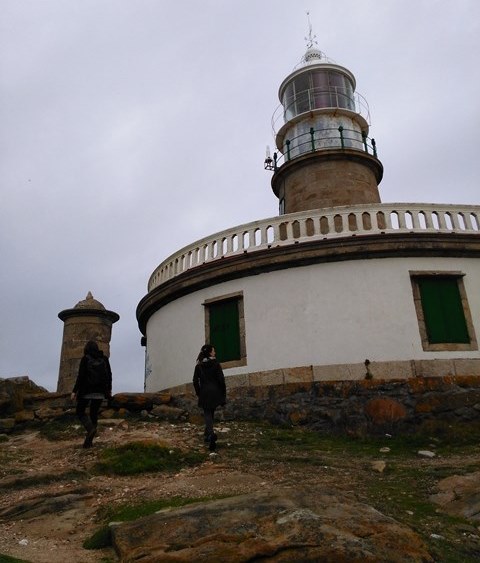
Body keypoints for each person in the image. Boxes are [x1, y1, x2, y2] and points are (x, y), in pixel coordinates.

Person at [71, 340, 112, 448]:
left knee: (80, 411)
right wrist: (109, 389)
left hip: (87, 390)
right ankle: (89, 441)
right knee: (94, 413)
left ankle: (90, 429)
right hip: (100, 391)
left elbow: (81, 376)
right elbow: (109, 375)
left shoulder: (85, 359)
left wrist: (74, 391)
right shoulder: (104, 359)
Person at [193, 344, 226, 451]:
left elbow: (194, 381)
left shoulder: (199, 366)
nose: (215, 353)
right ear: (210, 353)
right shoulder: (216, 364)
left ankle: (209, 434)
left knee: (207, 412)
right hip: (215, 392)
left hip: (204, 392)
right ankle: (209, 434)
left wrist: (198, 392)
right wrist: (223, 394)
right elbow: (221, 380)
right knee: (210, 412)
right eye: (214, 351)